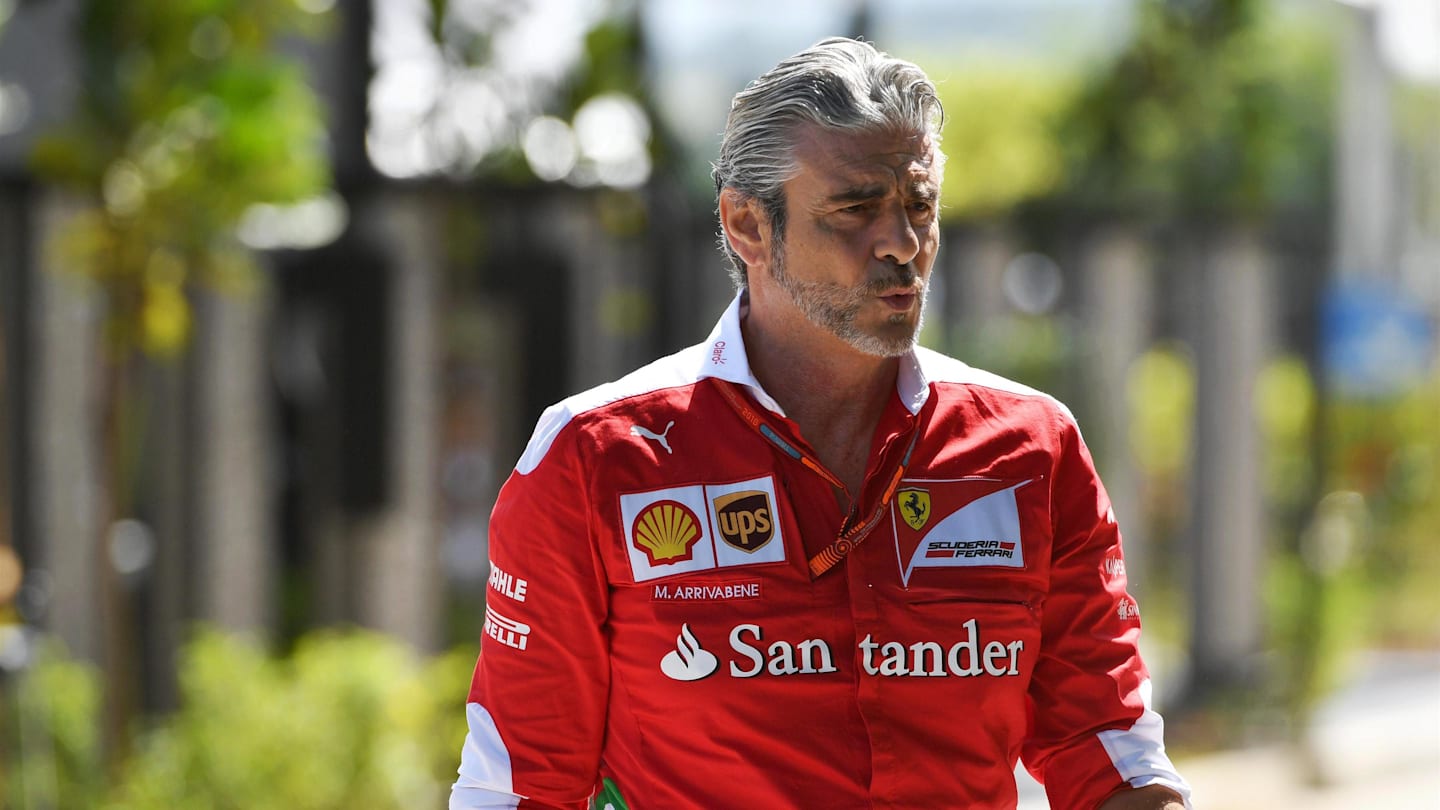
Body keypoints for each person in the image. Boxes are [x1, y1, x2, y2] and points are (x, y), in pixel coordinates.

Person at [451, 37, 1192, 810]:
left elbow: (1110, 754)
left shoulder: (1030, 447)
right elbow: (520, 785)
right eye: (855, 209)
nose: (902, 244)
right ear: (747, 225)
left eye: (919, 206)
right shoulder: (594, 455)